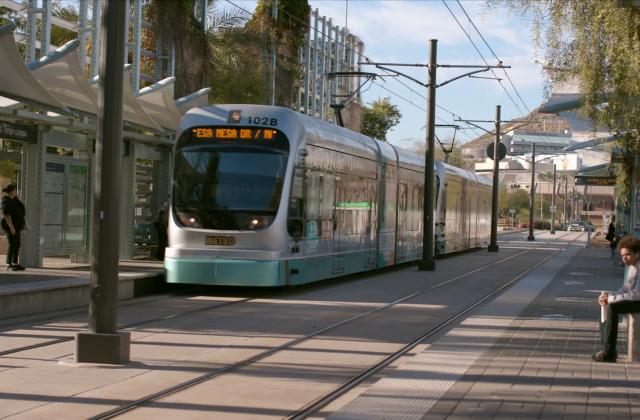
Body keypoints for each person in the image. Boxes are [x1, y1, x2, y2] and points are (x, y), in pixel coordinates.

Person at [593, 236, 640, 362]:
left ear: (637, 253)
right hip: (635, 299)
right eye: (623, 255)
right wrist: (608, 296)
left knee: (613, 307)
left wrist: (612, 299)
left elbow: (636, 294)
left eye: (628, 255)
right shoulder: (632, 266)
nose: (624, 258)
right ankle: (606, 348)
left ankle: (610, 352)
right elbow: (625, 289)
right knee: (604, 305)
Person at [1, 184, 25, 271]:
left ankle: (15, 263)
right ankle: (9, 263)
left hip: (17, 226)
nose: (16, 191)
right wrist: (11, 227)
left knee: (17, 244)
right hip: (11, 226)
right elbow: (7, 215)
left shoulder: (14, 200)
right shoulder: (7, 200)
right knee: (12, 244)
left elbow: (21, 211)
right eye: (15, 190)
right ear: (11, 191)